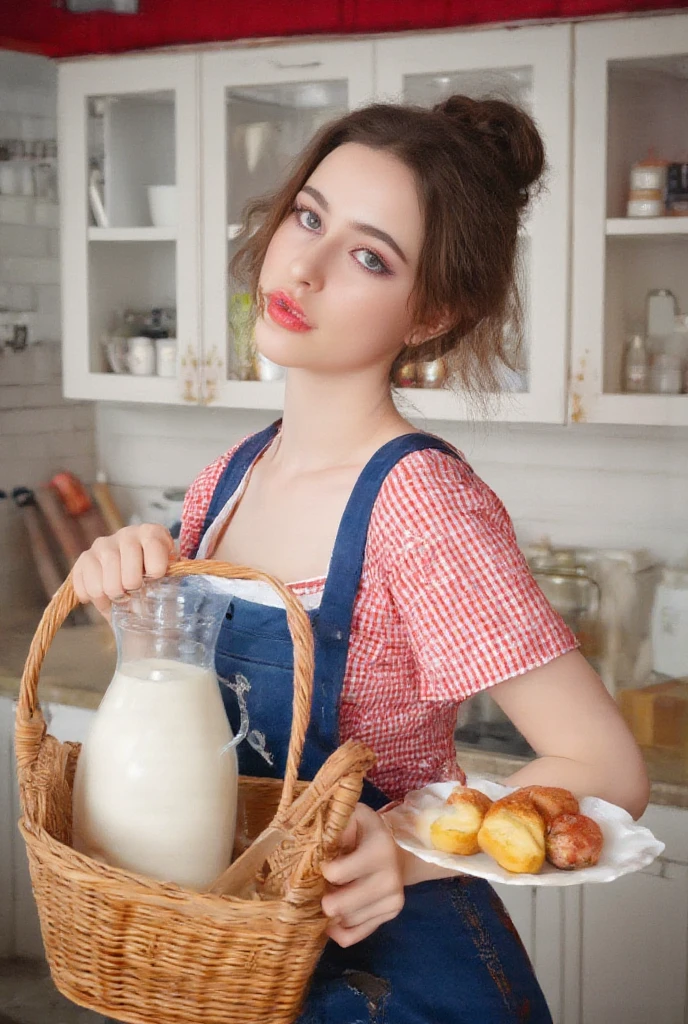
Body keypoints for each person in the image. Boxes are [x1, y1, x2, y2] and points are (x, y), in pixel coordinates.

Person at [73, 96, 650, 1023]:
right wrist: (131, 594)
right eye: (309, 216)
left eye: (369, 256)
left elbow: (608, 765)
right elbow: (195, 720)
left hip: (388, 974)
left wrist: (407, 845)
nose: (302, 266)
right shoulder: (226, 477)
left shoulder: (419, 501)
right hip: (238, 956)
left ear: (431, 314)